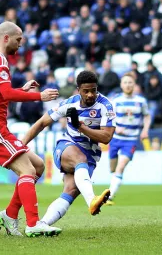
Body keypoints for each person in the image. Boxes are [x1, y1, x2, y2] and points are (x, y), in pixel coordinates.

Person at [0, 21, 61, 237]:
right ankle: (33, 223)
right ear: (6, 38)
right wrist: (38, 97)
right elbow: (6, 94)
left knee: (38, 166)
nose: (20, 44)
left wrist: (21, 89)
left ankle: (10, 214)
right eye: (18, 39)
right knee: (27, 171)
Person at [22, 71, 116, 227]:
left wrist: (80, 126)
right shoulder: (68, 104)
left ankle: (41, 224)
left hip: (90, 155)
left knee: (70, 192)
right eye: (86, 91)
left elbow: (106, 137)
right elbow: (41, 123)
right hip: (67, 146)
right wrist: (21, 144)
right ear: (78, 89)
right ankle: (91, 200)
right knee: (79, 158)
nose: (90, 94)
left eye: (93, 90)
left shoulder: (106, 105)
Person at [106, 73, 150, 205]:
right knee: (113, 169)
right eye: (125, 82)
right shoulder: (116, 100)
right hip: (115, 138)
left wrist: (145, 130)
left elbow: (147, 116)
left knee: (121, 167)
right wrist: (115, 127)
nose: (128, 85)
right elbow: (108, 117)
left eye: (130, 82)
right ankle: (114, 183)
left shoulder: (141, 101)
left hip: (130, 139)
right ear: (121, 85)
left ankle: (110, 196)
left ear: (134, 84)